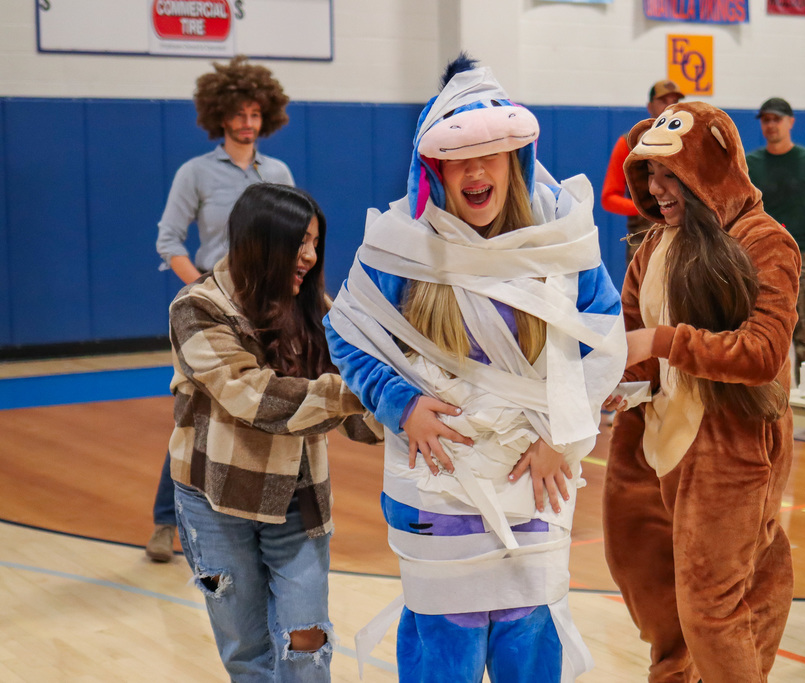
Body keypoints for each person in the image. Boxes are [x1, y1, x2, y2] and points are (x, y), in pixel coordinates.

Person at [326, 54, 625, 682]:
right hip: (435, 489)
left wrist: (563, 439)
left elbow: (605, 340)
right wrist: (399, 404)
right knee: (443, 656)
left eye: (493, 152)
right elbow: (344, 334)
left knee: (530, 647)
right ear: (433, 167)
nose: (477, 170)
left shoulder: (561, 239)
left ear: (517, 156)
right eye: (459, 156)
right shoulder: (397, 246)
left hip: (536, 483)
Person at [602, 102, 801, 682]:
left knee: (711, 607)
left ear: (707, 170)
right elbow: (637, 352)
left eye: (671, 175)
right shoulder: (653, 247)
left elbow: (763, 354)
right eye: (651, 175)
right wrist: (613, 384)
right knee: (648, 584)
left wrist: (662, 342)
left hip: (731, 445)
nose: (658, 189)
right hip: (654, 440)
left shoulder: (766, 241)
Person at [168, 183, 364, 680]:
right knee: (248, 650)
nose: (310, 255)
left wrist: (402, 405)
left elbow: (360, 405)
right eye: (299, 242)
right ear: (261, 241)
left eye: (315, 242)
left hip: (297, 499)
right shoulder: (196, 307)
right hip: (215, 501)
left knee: (307, 636)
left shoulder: (315, 305)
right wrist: (361, 392)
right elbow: (256, 398)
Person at [146, 55, 293, 562]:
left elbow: (289, 239)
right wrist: (207, 289)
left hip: (267, 308)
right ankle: (167, 523)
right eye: (239, 113)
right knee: (198, 414)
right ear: (220, 116)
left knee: (256, 408)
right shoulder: (195, 173)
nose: (248, 122)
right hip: (213, 308)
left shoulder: (278, 172)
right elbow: (169, 241)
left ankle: (250, 517)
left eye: (256, 113)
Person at [745, 97, 805, 381]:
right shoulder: (750, 163)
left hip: (801, 260)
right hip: (757, 259)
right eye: (765, 120)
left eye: (776, 119)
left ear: (791, 122)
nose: (771, 125)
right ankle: (764, 415)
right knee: (760, 336)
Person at [601, 79, 684, 265]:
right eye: (664, 101)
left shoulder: (687, 141)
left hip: (684, 233)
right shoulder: (629, 142)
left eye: (675, 101)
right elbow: (609, 198)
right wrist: (647, 207)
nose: (670, 106)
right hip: (644, 238)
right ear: (650, 106)